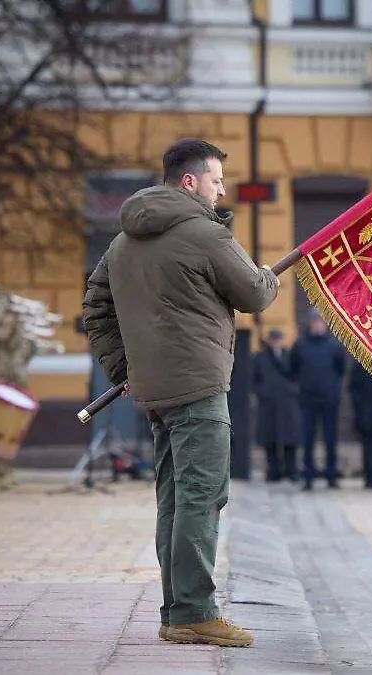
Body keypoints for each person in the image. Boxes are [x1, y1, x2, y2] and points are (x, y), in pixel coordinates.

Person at [83, 138, 279, 648]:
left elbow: (95, 307)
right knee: (201, 494)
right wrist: (269, 280)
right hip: (198, 385)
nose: (222, 190)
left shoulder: (122, 241)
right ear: (189, 182)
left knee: (173, 497)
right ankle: (193, 611)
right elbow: (255, 294)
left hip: (153, 389)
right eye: (216, 181)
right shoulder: (205, 233)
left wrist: (123, 368)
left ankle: (178, 611)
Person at [290, 313, 348, 490]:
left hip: (329, 400)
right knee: (308, 439)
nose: (318, 326)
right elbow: (293, 368)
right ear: (310, 324)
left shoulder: (334, 346)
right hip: (308, 399)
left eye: (321, 323)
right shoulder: (300, 346)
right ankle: (308, 476)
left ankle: (331, 475)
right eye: (315, 322)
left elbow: (341, 369)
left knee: (331, 439)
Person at [0, 300, 36, 491]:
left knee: (9, 430)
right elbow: (2, 336)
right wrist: (11, 323)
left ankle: (3, 470)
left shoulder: (13, 321)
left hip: (13, 377)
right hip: (2, 377)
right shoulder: (1, 320)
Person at [253, 329, 302, 482]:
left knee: (290, 439)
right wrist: (263, 392)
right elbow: (255, 379)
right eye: (273, 339)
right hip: (269, 405)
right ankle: (273, 471)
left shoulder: (290, 356)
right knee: (270, 439)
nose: (276, 342)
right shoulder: (261, 357)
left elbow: (298, 375)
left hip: (288, 404)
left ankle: (291, 470)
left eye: (278, 339)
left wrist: (293, 390)